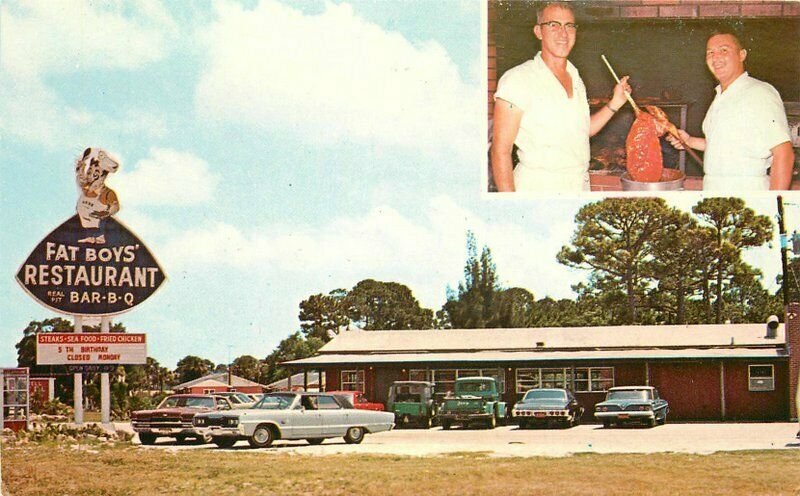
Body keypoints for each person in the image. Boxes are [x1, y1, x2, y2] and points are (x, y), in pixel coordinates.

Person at [491, 1, 632, 193]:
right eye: (553, 25)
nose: (563, 34)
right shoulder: (517, 79)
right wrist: (510, 204)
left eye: (569, 26)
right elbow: (500, 150)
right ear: (538, 32)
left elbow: (582, 131)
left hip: (578, 186)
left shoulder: (575, 76)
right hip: (537, 189)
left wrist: (614, 103)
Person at [666, 30, 794, 191]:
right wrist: (690, 141)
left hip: (748, 193)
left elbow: (784, 153)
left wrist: (775, 205)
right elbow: (725, 146)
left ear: (742, 55)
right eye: (710, 52)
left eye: (724, 50)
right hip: (714, 191)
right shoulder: (721, 96)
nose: (716, 57)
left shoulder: (759, 92)